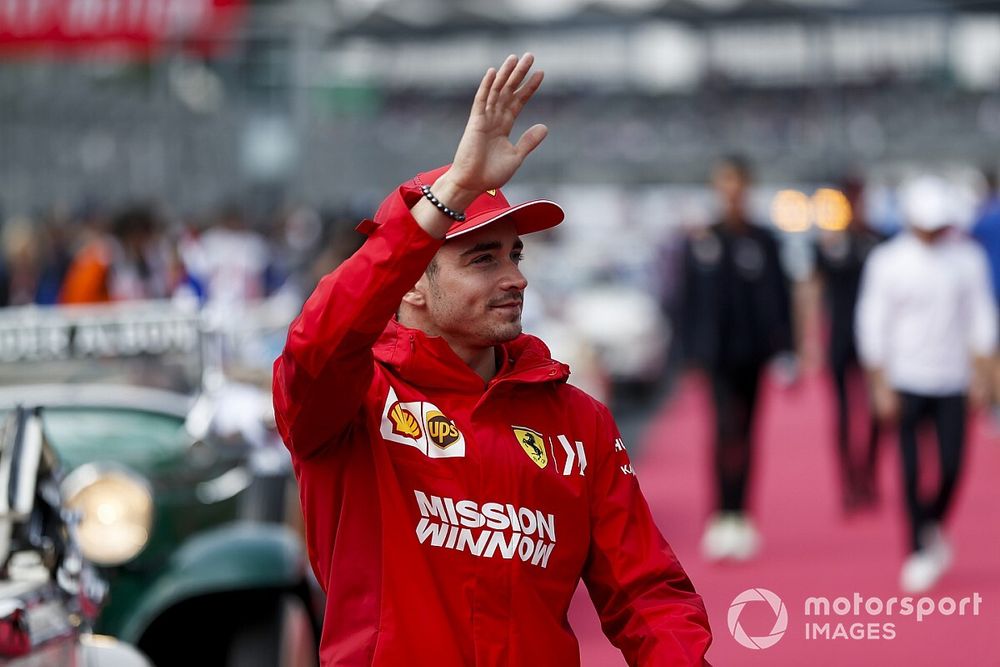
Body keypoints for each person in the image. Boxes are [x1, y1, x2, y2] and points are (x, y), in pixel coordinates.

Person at [272, 54, 712, 666]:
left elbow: (647, 595)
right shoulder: (351, 402)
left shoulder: (578, 421)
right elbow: (317, 342)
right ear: (409, 283)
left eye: (516, 255)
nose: (515, 278)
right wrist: (451, 191)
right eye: (483, 259)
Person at [856, 174, 996, 593]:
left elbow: (982, 316)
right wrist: (879, 383)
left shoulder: (966, 258)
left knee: (953, 466)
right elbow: (872, 322)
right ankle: (916, 547)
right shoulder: (887, 261)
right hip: (905, 378)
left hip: (952, 378)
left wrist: (985, 374)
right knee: (912, 468)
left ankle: (933, 524)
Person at [677, 155, 793, 562]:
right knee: (723, 430)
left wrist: (787, 351)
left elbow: (782, 297)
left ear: (746, 189)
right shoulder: (702, 240)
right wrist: (689, 355)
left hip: (755, 354)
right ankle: (721, 514)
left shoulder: (764, 241)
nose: (731, 193)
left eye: (737, 184)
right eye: (723, 184)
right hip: (716, 356)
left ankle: (742, 514)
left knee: (747, 432)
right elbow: (686, 301)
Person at [809, 177, 885, 513]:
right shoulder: (828, 245)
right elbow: (811, 291)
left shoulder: (878, 240)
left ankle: (868, 471)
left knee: (875, 410)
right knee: (841, 410)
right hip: (839, 337)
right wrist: (809, 340)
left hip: (875, 340)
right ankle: (847, 480)